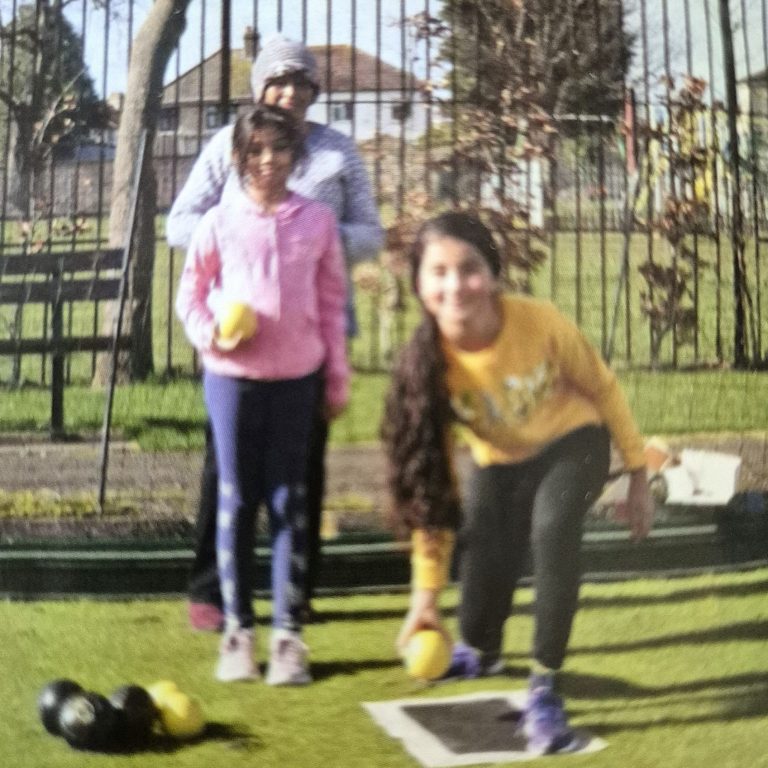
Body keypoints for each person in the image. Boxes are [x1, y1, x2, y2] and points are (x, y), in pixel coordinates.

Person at [381, 212, 654, 754]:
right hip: (503, 458)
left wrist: (638, 472)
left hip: (576, 442)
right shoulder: (427, 367)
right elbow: (431, 491)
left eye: (469, 268)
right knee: (480, 534)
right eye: (438, 272)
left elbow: (603, 388)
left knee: (551, 528)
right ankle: (481, 650)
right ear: (418, 285)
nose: (455, 285)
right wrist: (424, 601)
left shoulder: (539, 322)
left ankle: (545, 684)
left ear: (494, 275)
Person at [167, 35, 383, 631]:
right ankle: (211, 591)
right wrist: (245, 235)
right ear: (259, 88)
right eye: (277, 80)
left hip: (311, 333)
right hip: (238, 339)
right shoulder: (229, 145)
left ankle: (297, 591)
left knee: (303, 470)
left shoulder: (338, 152)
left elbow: (372, 232)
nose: (288, 92)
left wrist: (309, 237)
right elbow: (180, 222)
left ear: (314, 90)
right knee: (226, 469)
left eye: (300, 82)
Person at [175, 104, 349, 684]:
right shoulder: (218, 223)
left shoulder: (317, 221)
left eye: (279, 148)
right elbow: (190, 296)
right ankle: (238, 634)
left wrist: (336, 376)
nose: (268, 160)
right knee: (234, 499)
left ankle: (288, 639)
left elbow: (332, 305)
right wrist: (212, 334)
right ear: (239, 157)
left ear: (295, 154)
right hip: (231, 382)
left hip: (298, 381)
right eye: (256, 150)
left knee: (287, 503)